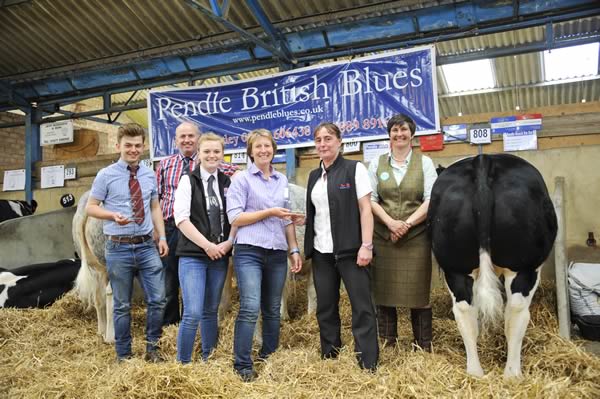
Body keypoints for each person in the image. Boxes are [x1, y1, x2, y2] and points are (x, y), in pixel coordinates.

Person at [86, 123, 168, 363]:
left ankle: (152, 348)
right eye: (128, 145)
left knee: (158, 299)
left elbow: (154, 207)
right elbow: (91, 207)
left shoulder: (148, 174)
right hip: (118, 247)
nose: (133, 150)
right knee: (122, 305)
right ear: (118, 146)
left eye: (137, 146)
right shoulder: (105, 175)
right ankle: (124, 354)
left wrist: (161, 236)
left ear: (143, 147)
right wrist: (111, 215)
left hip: (146, 246)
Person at [226, 128, 302, 382]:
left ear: (273, 149)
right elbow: (235, 217)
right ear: (250, 152)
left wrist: (293, 249)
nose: (263, 150)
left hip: (277, 252)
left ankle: (270, 355)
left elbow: (287, 219)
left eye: (267, 146)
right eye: (257, 146)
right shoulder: (241, 180)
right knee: (249, 306)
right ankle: (243, 364)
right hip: (249, 251)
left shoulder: (281, 181)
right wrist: (269, 212)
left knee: (272, 307)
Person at [304, 122, 379, 371]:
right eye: (318, 140)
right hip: (321, 252)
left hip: (351, 251)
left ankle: (367, 362)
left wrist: (366, 245)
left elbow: (365, 210)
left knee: (361, 306)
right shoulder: (314, 176)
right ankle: (330, 355)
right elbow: (320, 213)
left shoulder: (354, 169)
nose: (323, 144)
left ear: (339, 141)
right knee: (325, 306)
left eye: (328, 138)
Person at [156, 121, 239, 326]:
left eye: (191, 136)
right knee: (169, 280)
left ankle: (192, 321)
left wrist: (239, 175)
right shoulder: (165, 165)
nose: (186, 140)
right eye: (182, 137)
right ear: (175, 140)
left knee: (194, 283)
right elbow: (156, 201)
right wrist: (160, 235)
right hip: (171, 228)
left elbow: (233, 171)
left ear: (198, 139)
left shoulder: (207, 159)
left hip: (199, 231)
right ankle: (171, 325)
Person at [367, 113, 438, 351]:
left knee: (418, 291)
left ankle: (423, 345)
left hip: (416, 238)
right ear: (389, 135)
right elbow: (371, 200)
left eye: (404, 130)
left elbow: (431, 199)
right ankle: (388, 343)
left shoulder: (425, 163)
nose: (399, 134)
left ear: (412, 134)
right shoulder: (376, 163)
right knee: (384, 291)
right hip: (384, 238)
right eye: (395, 131)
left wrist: (406, 224)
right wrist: (390, 223)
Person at [173, 133, 236, 363]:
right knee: (192, 313)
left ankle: (209, 358)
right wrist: (208, 246)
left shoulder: (228, 182)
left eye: (217, 151)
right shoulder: (187, 181)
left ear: (223, 154)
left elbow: (236, 217)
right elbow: (181, 220)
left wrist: (227, 243)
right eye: (207, 151)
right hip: (194, 256)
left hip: (219, 256)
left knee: (211, 310)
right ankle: (183, 364)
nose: (212, 155)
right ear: (198, 154)